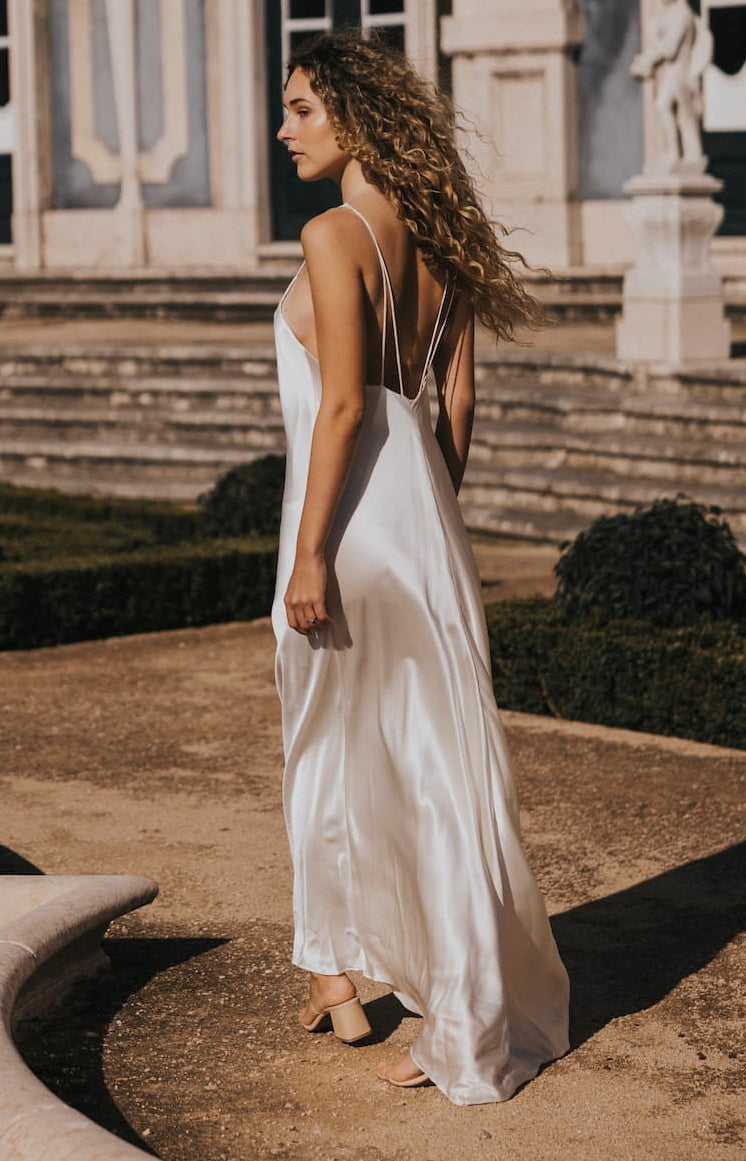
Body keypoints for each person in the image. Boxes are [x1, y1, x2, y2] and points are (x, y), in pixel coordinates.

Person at [271, 29, 570, 1106]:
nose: (284, 128)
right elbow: (453, 403)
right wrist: (431, 507)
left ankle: (346, 969)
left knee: (328, 750)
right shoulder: (441, 242)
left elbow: (343, 405)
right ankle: (389, 986)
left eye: (301, 108)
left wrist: (310, 552)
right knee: (438, 769)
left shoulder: (330, 235)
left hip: (349, 520)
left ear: (352, 116)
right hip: (424, 519)